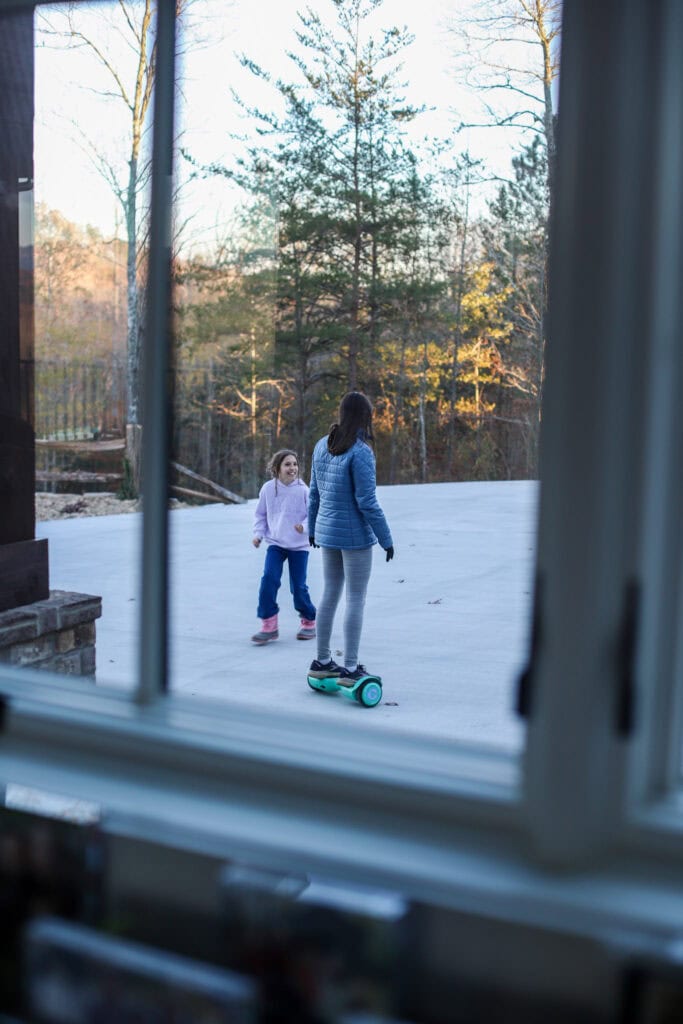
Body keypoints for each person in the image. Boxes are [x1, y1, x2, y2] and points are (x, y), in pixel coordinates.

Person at [307, 391, 394, 683]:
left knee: (330, 593)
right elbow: (367, 501)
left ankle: (322, 661)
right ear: (364, 417)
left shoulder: (322, 445)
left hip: (327, 534)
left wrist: (312, 529)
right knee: (356, 598)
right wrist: (386, 538)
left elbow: (314, 494)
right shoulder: (360, 452)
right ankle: (352, 668)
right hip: (355, 537)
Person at [251, 449, 316, 644]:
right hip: (276, 543)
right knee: (269, 579)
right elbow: (260, 515)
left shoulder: (304, 490)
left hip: (299, 545)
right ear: (277, 468)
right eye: (287, 464)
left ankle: (309, 620)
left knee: (298, 587)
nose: (292, 468)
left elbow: (313, 515)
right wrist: (258, 534)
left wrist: (303, 527)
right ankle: (269, 625)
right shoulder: (268, 489)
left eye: (295, 464)